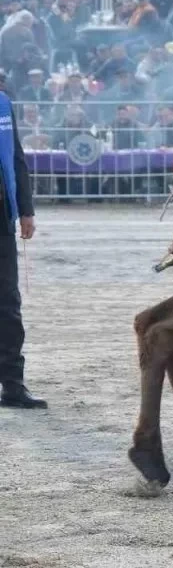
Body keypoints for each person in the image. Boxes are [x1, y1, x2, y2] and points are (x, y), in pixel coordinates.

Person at [0, 69, 41, 409]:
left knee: (8, 304)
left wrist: (26, 209)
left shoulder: (3, 105)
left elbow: (16, 157)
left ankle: (13, 385)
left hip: (2, 217)